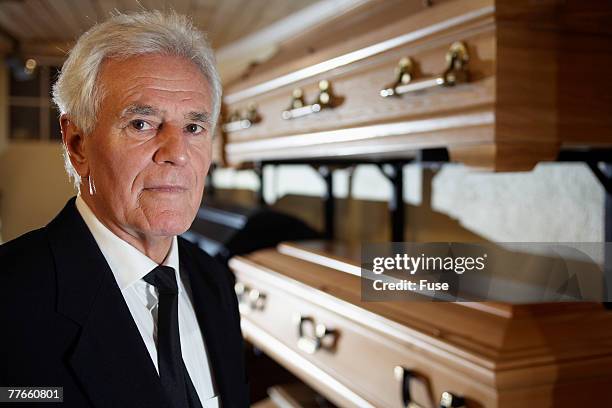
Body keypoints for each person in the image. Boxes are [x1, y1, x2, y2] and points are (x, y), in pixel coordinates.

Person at [0, 11, 249, 408]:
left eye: (194, 128)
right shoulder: (9, 299)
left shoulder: (214, 280)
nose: (177, 154)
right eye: (141, 124)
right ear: (77, 144)